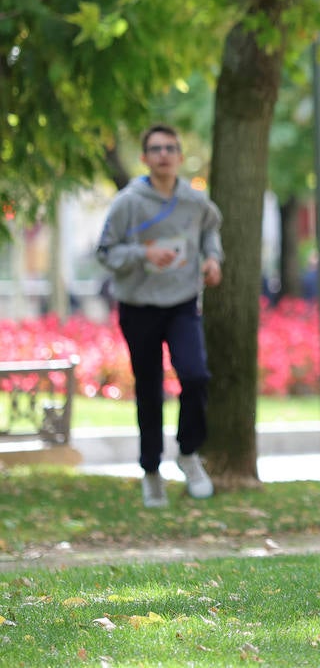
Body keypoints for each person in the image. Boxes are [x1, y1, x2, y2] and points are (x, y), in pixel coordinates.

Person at [96, 124, 223, 508]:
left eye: (170, 148)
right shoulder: (128, 202)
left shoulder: (195, 201)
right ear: (145, 158)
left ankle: (189, 453)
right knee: (150, 390)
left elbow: (210, 232)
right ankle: (151, 471)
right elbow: (105, 252)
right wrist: (142, 254)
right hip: (138, 307)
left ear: (180, 157)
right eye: (156, 148)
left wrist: (214, 259)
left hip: (182, 302)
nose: (164, 154)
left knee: (196, 374)